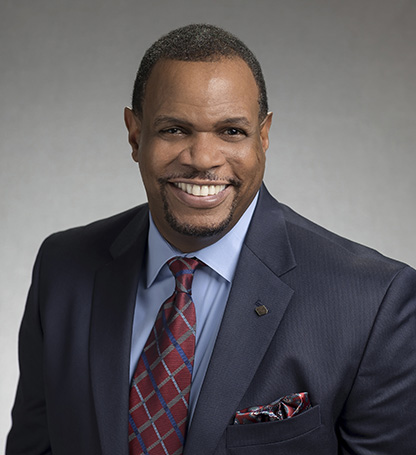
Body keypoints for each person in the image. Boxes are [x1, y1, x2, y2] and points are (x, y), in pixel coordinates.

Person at [6, 23, 416, 455]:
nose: (202, 159)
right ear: (135, 134)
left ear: (263, 136)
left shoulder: (373, 302)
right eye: (174, 129)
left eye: (231, 131)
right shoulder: (63, 268)